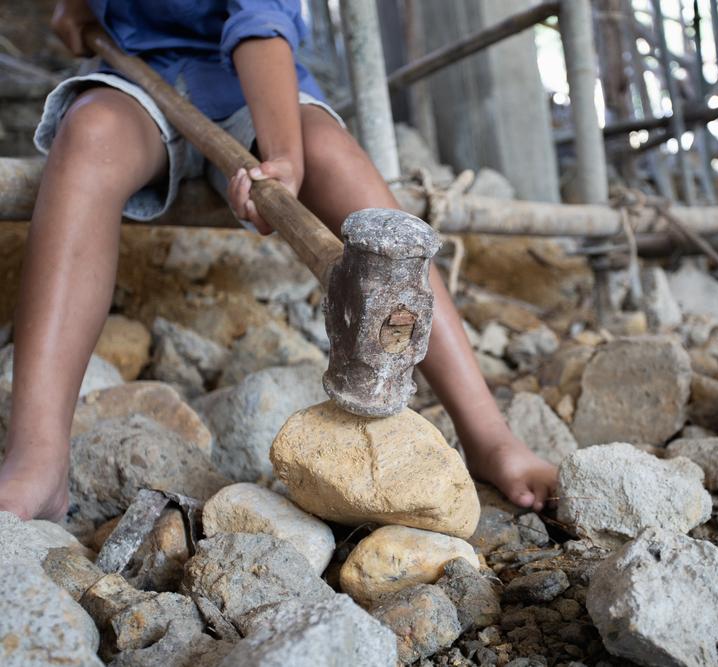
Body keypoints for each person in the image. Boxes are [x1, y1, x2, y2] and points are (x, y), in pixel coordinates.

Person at [0, 0, 557, 521]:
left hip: (255, 86)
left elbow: (259, 24)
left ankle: (488, 433)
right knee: (89, 136)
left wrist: (284, 156)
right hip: (140, 79)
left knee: (334, 159)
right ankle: (38, 457)